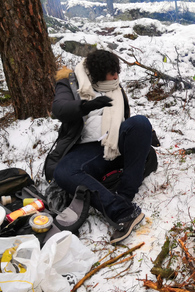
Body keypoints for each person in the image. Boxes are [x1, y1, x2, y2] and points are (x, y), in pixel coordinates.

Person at [44, 49, 154, 244]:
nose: (116, 78)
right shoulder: (70, 82)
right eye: (112, 74)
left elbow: (124, 119)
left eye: (117, 73)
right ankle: (122, 211)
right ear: (96, 74)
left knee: (140, 123)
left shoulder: (114, 86)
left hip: (114, 142)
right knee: (64, 172)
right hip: (87, 148)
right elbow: (59, 109)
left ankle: (125, 196)